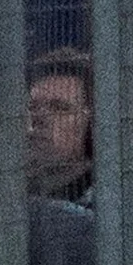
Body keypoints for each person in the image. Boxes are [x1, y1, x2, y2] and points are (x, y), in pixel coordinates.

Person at [26, 47, 94, 205]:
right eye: (32, 107)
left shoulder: (109, 206)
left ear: (92, 123)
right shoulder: (1, 194)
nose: (39, 118)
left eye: (59, 108)